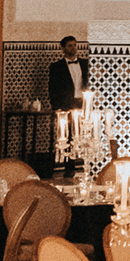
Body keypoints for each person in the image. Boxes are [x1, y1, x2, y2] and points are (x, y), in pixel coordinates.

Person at [45, 35, 90, 177]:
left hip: (82, 102)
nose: (73, 48)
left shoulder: (85, 64)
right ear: (63, 48)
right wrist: (56, 107)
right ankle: (67, 166)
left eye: (75, 45)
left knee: (84, 133)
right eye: (70, 45)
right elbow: (52, 88)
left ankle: (85, 163)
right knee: (66, 135)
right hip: (66, 104)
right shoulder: (56, 67)